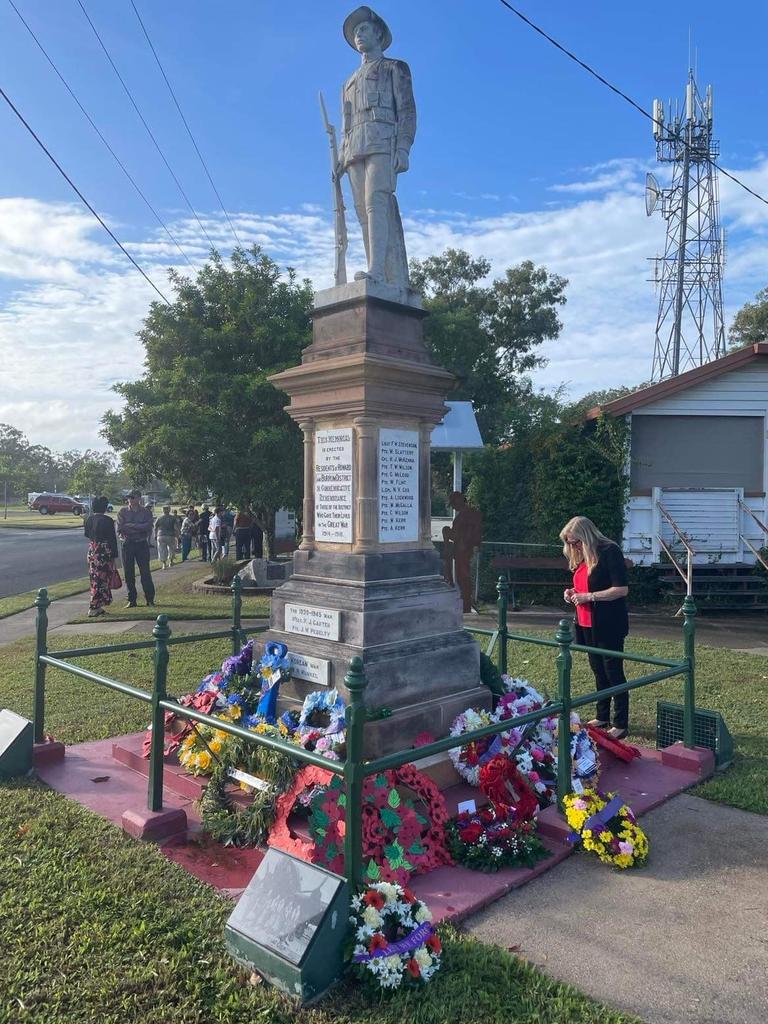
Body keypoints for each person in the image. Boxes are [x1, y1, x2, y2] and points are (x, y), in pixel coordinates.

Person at [338, 6, 416, 288]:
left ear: (378, 33)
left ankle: (378, 271)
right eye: (356, 31)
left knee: (375, 203)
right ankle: (374, 267)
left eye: (364, 29)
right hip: (354, 147)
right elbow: (345, 124)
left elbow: (406, 110)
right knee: (361, 209)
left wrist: (404, 146)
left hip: (383, 140)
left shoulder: (395, 68)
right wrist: (340, 156)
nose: (359, 34)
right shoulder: (347, 83)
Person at [561, 516, 630, 740]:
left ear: (586, 536)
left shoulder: (610, 551)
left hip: (608, 622)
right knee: (597, 668)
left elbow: (621, 589)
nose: (573, 547)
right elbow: (584, 582)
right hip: (585, 622)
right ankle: (603, 715)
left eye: (576, 542)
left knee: (613, 671)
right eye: (570, 543)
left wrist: (589, 596)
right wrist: (572, 592)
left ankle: (621, 722)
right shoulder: (582, 556)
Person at [441, 491, 482, 613]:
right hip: (463, 550)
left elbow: (464, 535)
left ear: (458, 501)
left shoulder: (467, 516)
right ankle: (465, 603)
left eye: (453, 504)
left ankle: (466, 604)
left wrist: (447, 533)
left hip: (464, 551)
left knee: (463, 577)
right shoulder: (469, 515)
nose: (453, 507)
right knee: (462, 577)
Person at [117, 490, 156, 608]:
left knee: (145, 572)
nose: (130, 499)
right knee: (128, 573)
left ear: (139, 498)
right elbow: (121, 528)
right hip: (127, 544)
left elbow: (148, 527)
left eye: (132, 497)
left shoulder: (146, 512)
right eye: (129, 498)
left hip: (141, 544)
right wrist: (139, 527)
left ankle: (150, 599)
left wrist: (131, 525)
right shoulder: (122, 512)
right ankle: (132, 600)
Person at [83, 496, 118, 617]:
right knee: (102, 579)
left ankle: (98, 606)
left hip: (92, 550)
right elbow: (112, 539)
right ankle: (93, 606)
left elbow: (87, 534)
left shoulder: (89, 519)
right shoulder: (107, 520)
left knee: (95, 578)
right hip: (104, 552)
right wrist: (114, 554)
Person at [154, 505, 178, 570]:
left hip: (161, 535)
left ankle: (164, 564)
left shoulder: (159, 518)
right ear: (169, 510)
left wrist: (155, 535)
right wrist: (178, 535)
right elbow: (176, 527)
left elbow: (155, 527)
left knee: (162, 550)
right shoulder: (173, 518)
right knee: (171, 549)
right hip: (171, 535)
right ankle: (171, 561)